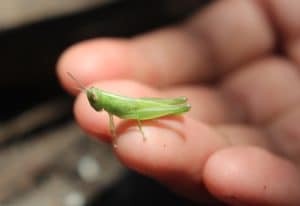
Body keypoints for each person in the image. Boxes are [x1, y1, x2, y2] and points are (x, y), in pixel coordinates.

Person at [56, 0, 300, 205]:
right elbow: (110, 117)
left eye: (94, 95)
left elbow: (125, 114)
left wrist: (139, 130)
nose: (93, 98)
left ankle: (177, 108)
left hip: (139, 109)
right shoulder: (106, 105)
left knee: (141, 113)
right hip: (135, 107)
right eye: (92, 96)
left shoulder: (110, 104)